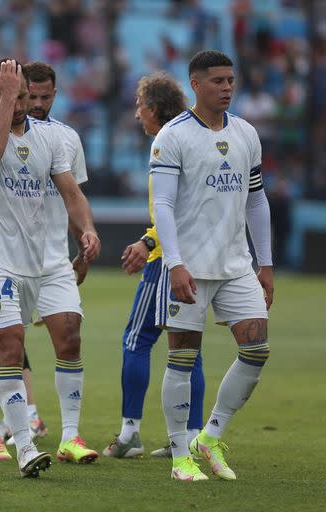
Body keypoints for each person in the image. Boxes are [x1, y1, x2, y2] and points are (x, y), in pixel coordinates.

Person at [0, 58, 100, 477]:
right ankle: (25, 446)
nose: (22, 103)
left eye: (25, 94)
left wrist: (86, 229)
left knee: (54, 337)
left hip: (43, 261)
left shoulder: (51, 139)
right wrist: (4, 103)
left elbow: (71, 194)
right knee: (10, 346)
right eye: (13, 95)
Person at [150, 50, 274, 481]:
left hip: (237, 265)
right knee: (182, 358)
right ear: (196, 85)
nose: (227, 88)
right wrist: (175, 263)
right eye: (218, 81)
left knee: (257, 350)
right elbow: (162, 204)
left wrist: (266, 263)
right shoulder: (172, 136)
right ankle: (181, 453)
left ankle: (210, 434)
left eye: (230, 81)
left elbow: (256, 200)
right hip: (190, 268)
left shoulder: (245, 133)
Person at [102, 72, 206, 459]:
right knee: (188, 348)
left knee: (137, 339)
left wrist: (149, 243)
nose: (136, 115)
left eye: (139, 107)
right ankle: (193, 436)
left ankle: (130, 434)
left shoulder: (167, 143)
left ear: (154, 109)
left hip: (168, 262)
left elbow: (174, 211)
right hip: (195, 258)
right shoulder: (194, 139)